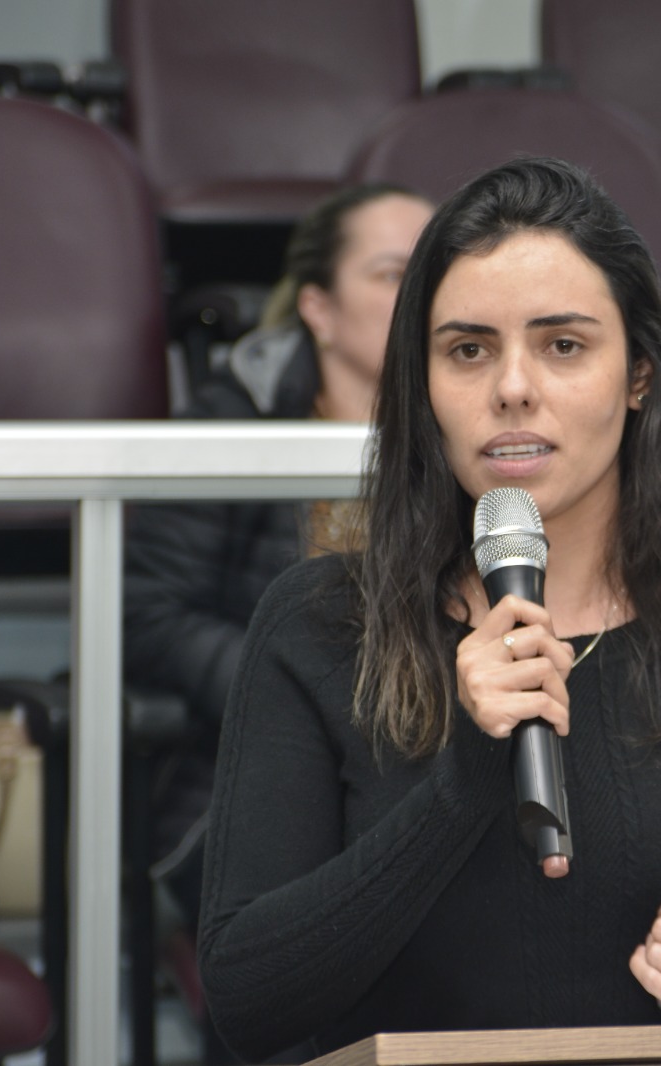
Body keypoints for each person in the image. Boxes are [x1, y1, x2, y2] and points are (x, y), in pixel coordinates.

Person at [197, 157, 661, 1061]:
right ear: (423, 386)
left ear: (640, 373)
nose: (512, 387)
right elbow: (247, 999)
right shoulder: (320, 625)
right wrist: (464, 782)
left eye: (563, 346)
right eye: (468, 350)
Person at [123, 183, 434, 920]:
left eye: (436, 272)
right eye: (395, 274)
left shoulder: (482, 428)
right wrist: (310, 698)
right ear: (318, 308)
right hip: (249, 783)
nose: (423, 296)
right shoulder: (233, 424)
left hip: (429, 770)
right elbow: (148, 616)